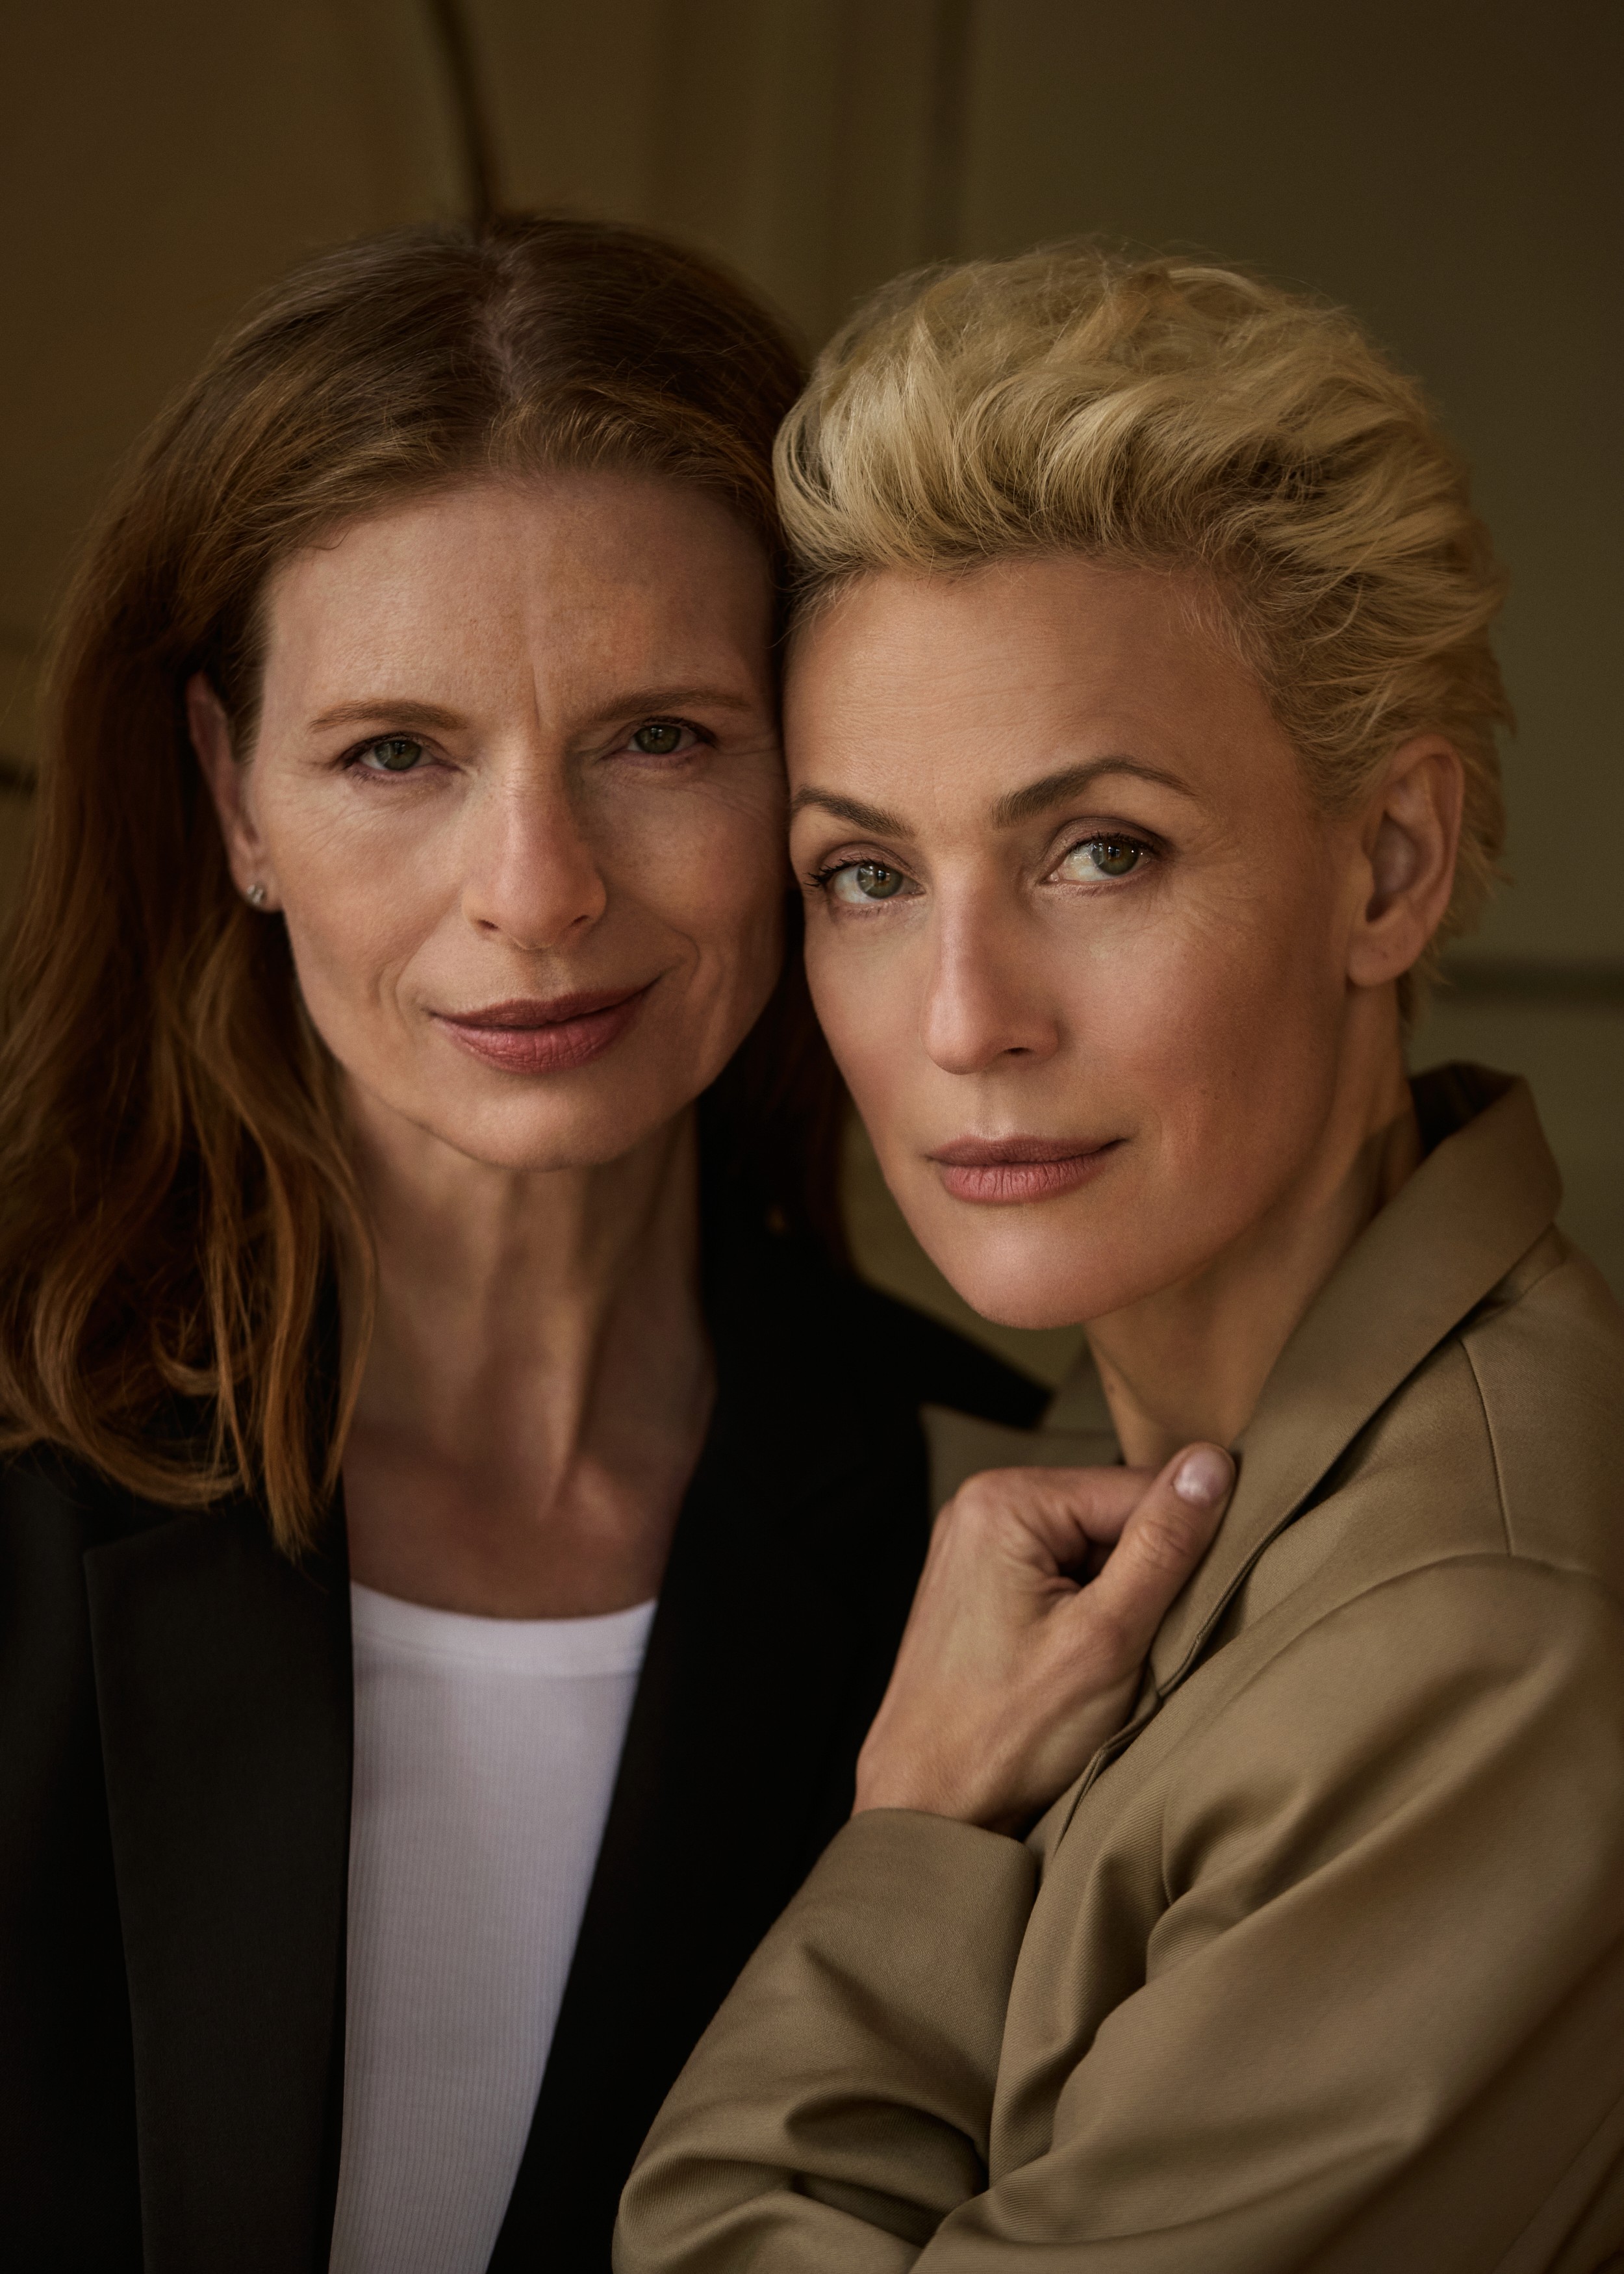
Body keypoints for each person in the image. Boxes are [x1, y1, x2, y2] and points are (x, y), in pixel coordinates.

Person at [0, 215, 1111, 2274]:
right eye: (394, 753)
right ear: (231, 795)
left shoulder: (1003, 1530)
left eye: (659, 737)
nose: (536, 890)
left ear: (820, 774)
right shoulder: (21, 1473)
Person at [616, 248, 1624, 2270]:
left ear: (1388, 862)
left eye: (1099, 851)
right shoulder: (1149, 1447)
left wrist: (916, 1831)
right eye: (866, 875)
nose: (963, 1017)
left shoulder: (1469, 1646)